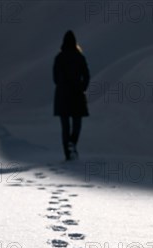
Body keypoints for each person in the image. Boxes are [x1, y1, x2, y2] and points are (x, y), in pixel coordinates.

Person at [53, 30, 90, 161]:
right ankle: (72, 144)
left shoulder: (59, 57)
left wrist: (62, 86)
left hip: (62, 96)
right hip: (77, 95)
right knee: (77, 124)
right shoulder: (80, 57)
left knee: (65, 126)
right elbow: (87, 76)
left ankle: (68, 154)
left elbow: (55, 78)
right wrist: (82, 88)